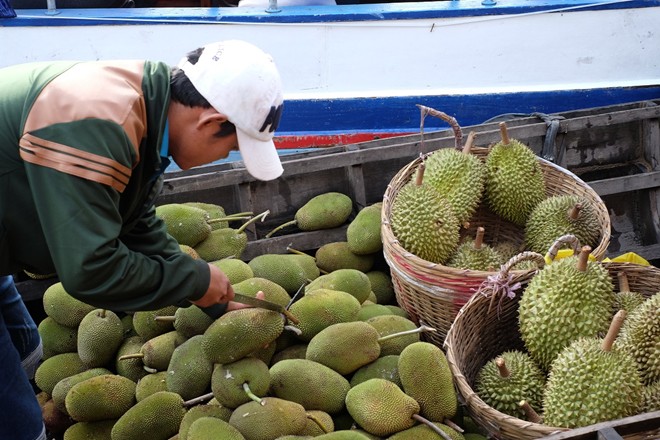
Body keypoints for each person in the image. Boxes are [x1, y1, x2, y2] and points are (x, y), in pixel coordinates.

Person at [0, 39, 285, 440]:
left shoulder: (147, 109)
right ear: (208, 122)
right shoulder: (98, 122)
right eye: (231, 146)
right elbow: (91, 271)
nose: (225, 158)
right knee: (13, 418)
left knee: (25, 348)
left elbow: (133, 221)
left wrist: (197, 285)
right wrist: (193, 282)